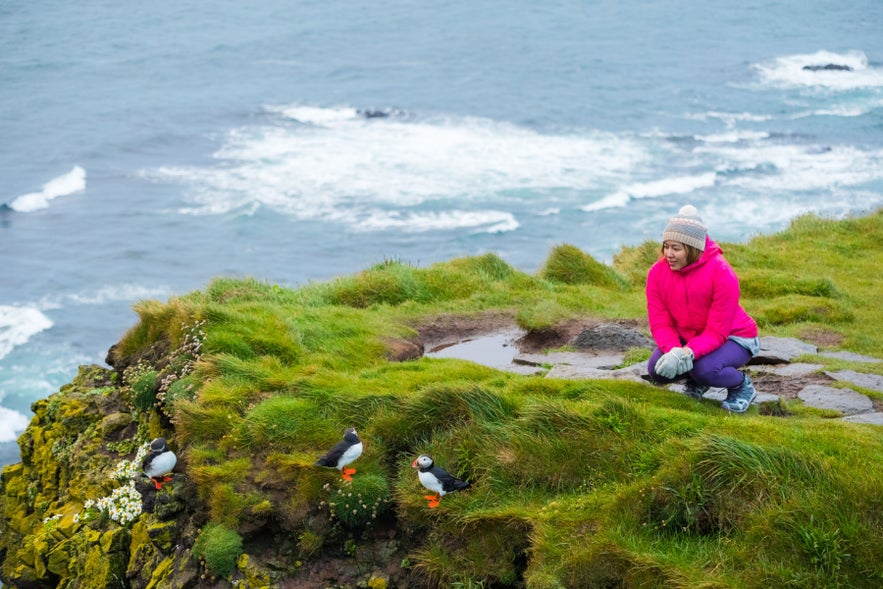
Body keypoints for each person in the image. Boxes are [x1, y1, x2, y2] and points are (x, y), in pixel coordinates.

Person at [645, 205, 760, 413]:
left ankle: (741, 386)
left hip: (734, 337)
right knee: (657, 370)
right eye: (666, 246)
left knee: (705, 370)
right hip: (687, 336)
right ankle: (697, 382)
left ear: (693, 248)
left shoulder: (722, 273)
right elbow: (660, 322)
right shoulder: (656, 273)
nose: (668, 254)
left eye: (676, 248)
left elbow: (717, 332)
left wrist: (686, 353)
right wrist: (674, 351)